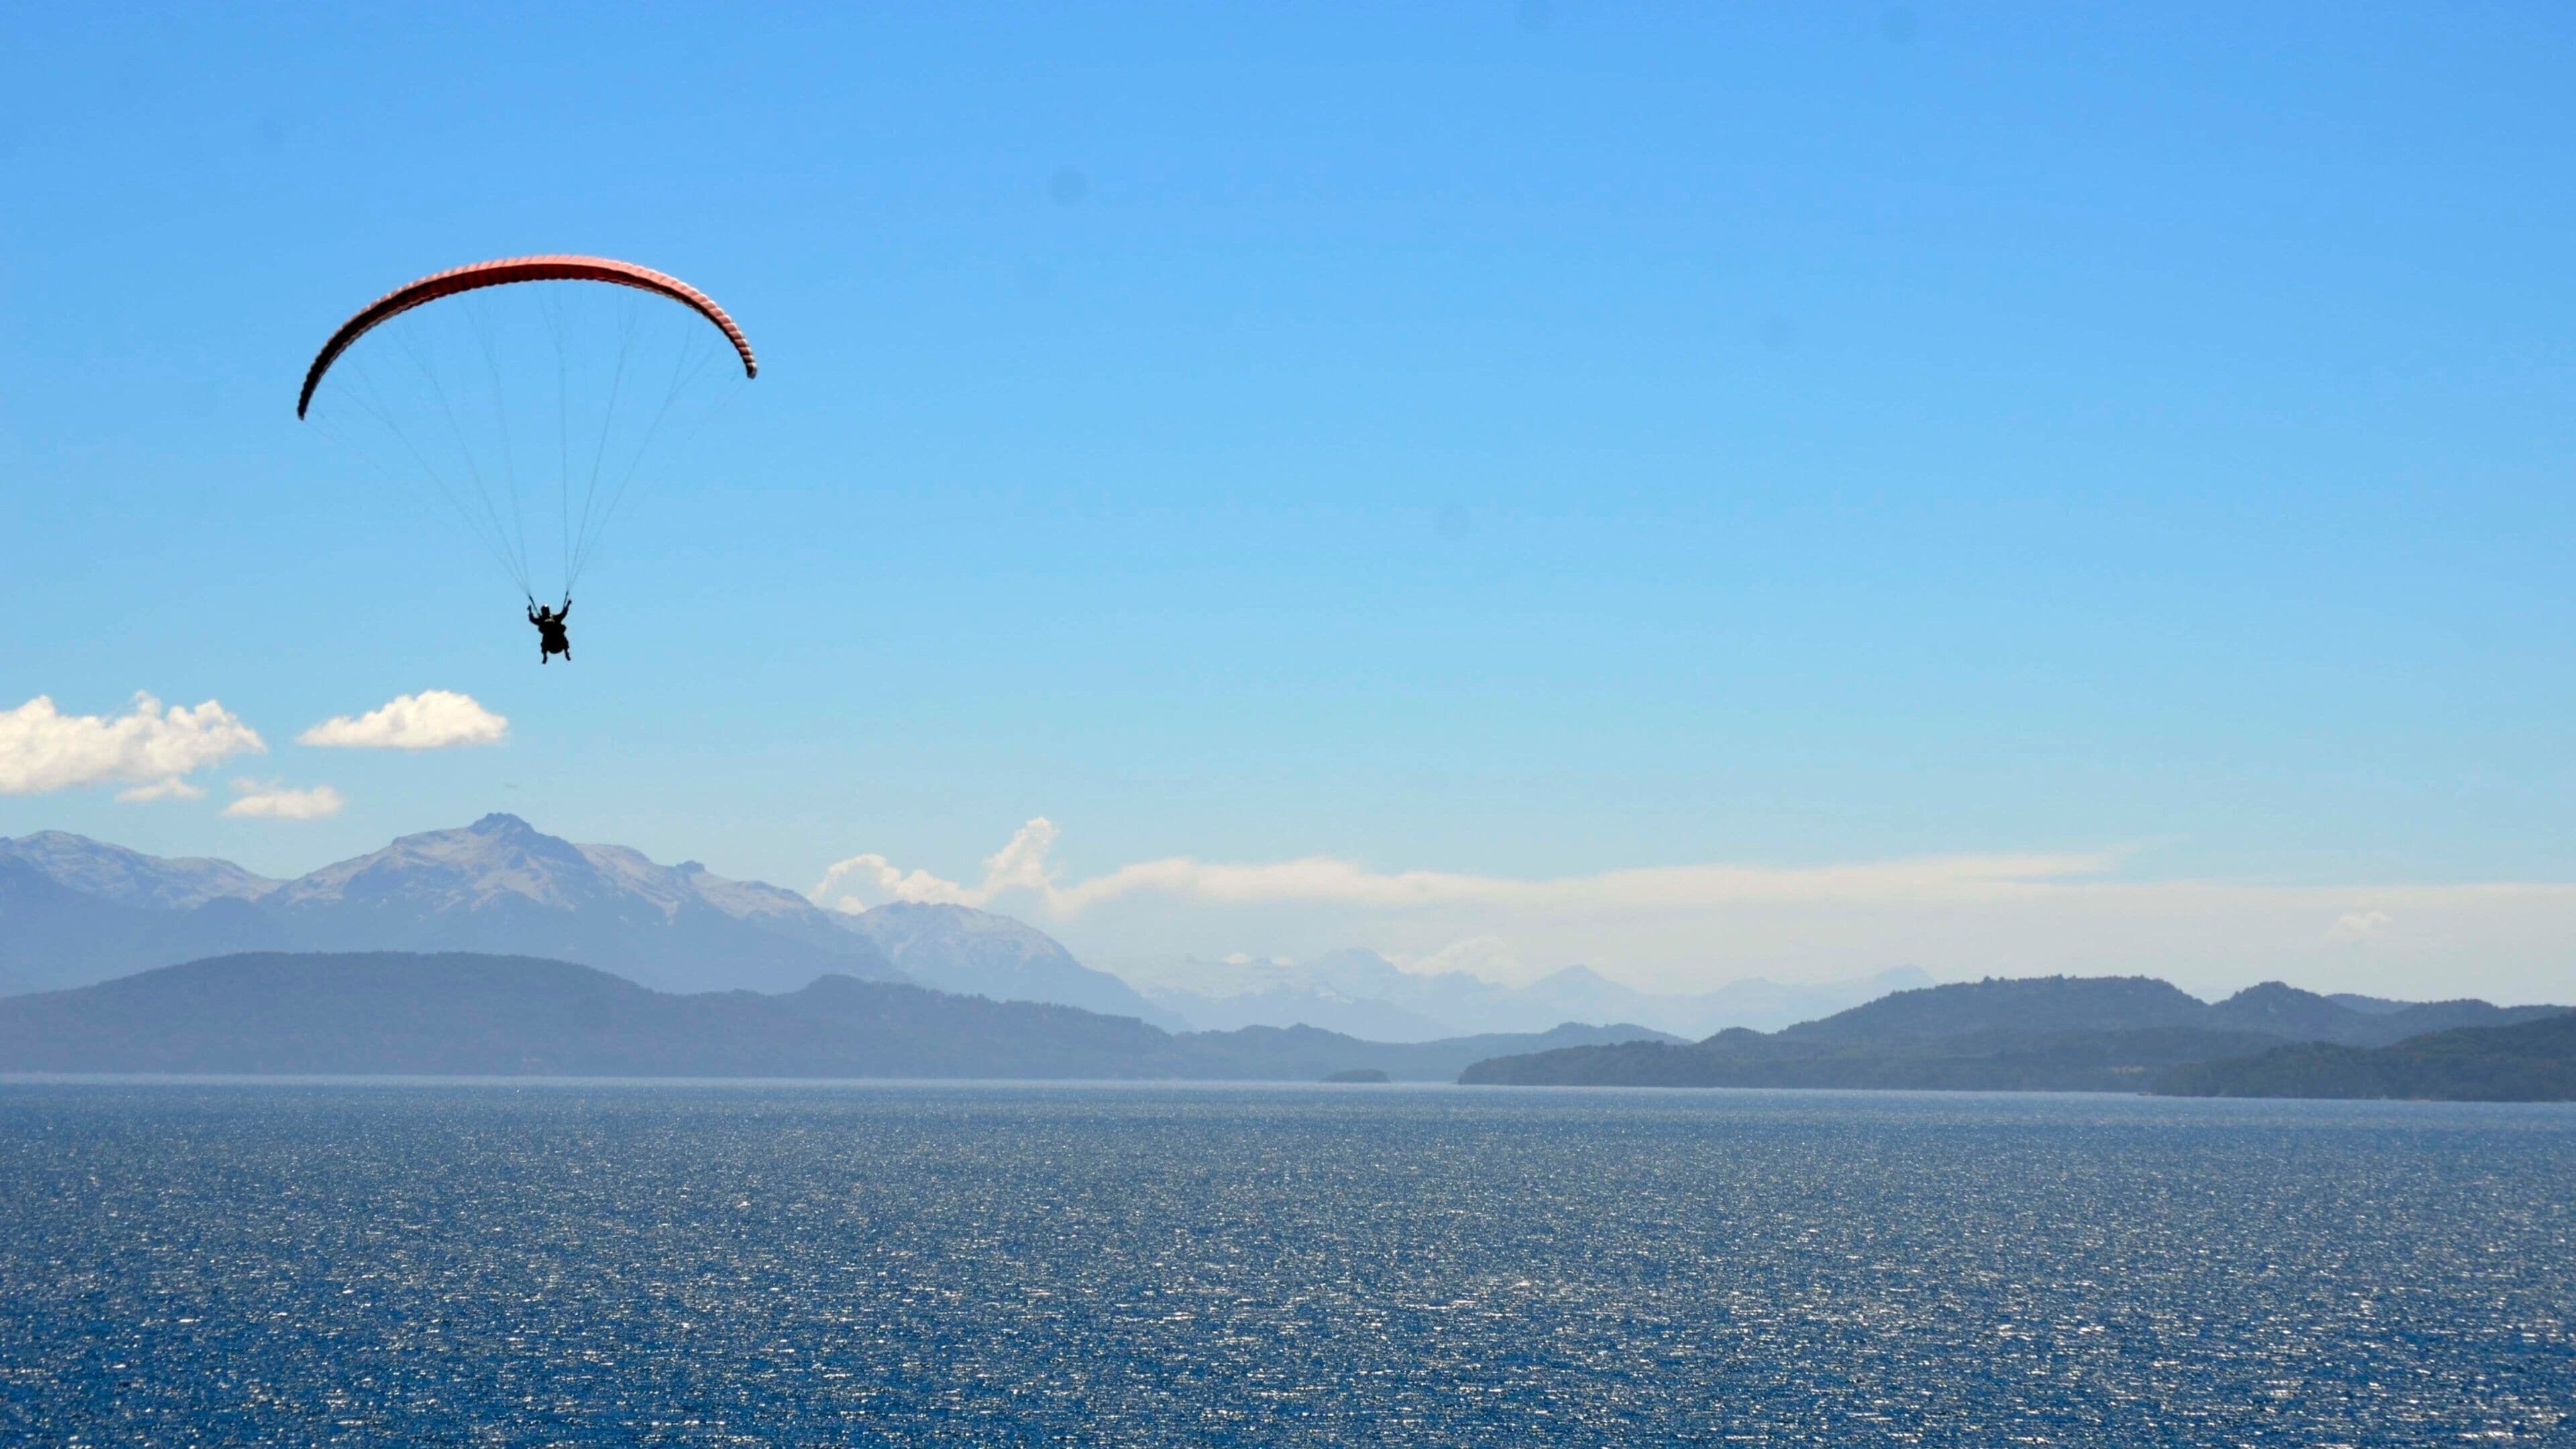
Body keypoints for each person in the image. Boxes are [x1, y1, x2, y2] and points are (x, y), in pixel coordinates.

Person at [528, 596, 572, 663]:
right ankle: (545, 656)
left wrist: (568, 605)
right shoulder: (541, 620)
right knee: (545, 639)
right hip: (550, 645)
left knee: (562, 635)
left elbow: (563, 613)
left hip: (558, 642)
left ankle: (566, 652)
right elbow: (532, 619)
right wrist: (530, 611)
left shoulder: (555, 618)